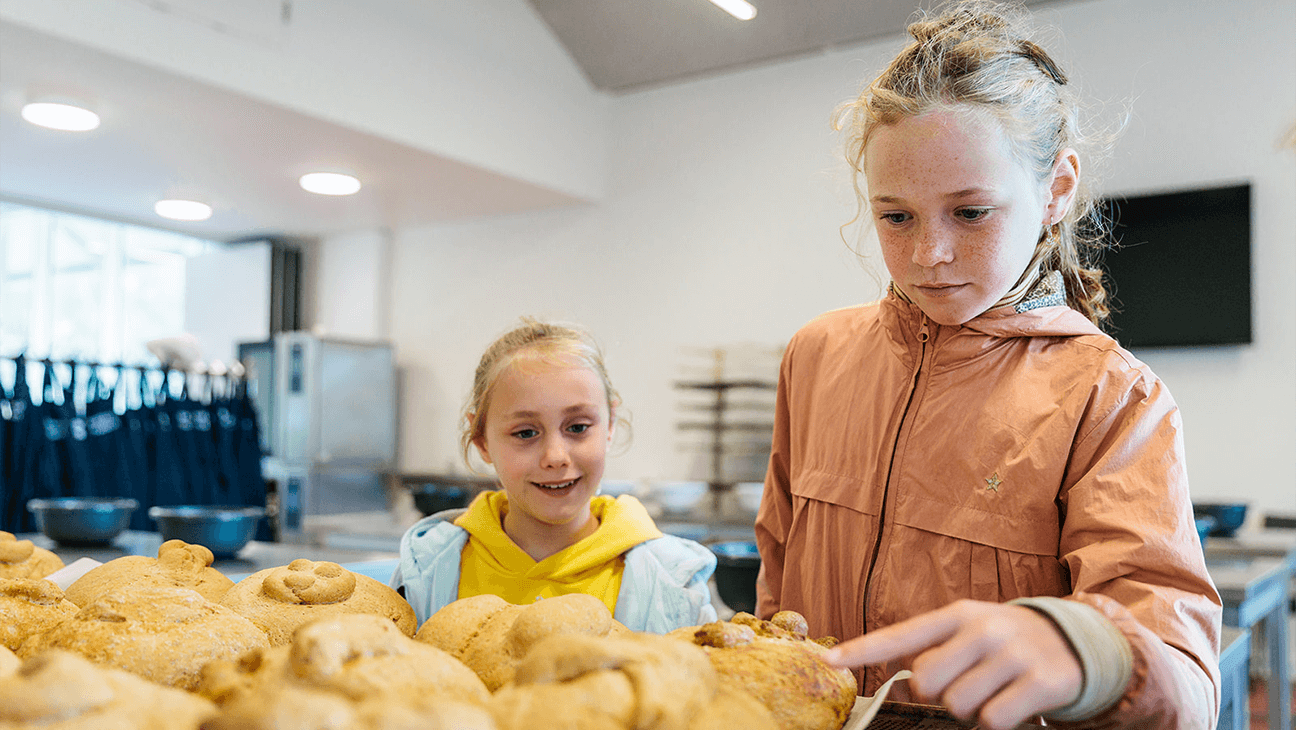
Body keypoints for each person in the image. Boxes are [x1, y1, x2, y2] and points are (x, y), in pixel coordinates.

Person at [754, 2, 1221, 727]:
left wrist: (1089, 650)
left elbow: (1187, 682)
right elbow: (776, 589)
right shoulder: (816, 355)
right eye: (895, 215)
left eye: (970, 213)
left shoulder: (1112, 397)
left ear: (1056, 191)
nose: (926, 255)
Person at [392, 318, 717, 634]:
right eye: (525, 433)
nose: (555, 457)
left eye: (577, 427)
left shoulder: (672, 584)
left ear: (611, 424)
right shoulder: (426, 572)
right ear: (482, 441)